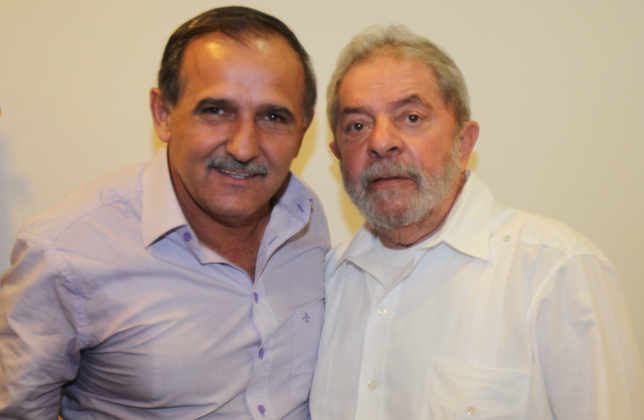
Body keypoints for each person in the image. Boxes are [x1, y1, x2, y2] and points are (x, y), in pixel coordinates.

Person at [0, 6, 329, 419]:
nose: (244, 147)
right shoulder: (63, 253)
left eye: (273, 117)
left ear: (302, 130)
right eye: (216, 111)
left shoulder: (306, 216)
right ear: (163, 114)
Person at [310, 25, 644, 419]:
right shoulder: (326, 281)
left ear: (464, 142)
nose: (381, 142)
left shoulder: (556, 270)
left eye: (411, 117)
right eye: (357, 126)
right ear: (337, 154)